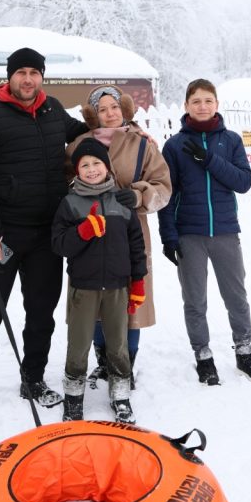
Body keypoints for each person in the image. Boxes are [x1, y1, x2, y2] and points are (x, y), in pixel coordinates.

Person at [0, 47, 89, 413]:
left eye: (35, 72)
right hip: (1, 235)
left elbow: (86, 137)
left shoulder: (53, 110)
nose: (28, 79)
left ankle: (33, 377)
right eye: (22, 73)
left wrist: (126, 132)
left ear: (42, 77)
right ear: (10, 76)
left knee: (41, 311)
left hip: (47, 233)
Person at [158, 78, 251, 386]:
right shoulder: (174, 146)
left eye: (208, 100)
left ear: (217, 104)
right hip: (189, 234)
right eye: (196, 101)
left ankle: (244, 353)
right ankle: (203, 357)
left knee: (236, 296)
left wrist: (208, 160)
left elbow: (243, 182)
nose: (202, 106)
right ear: (186, 106)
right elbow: (167, 195)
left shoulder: (231, 140)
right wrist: (167, 236)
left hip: (224, 232)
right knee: (195, 301)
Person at [67, 85, 171, 389]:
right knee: (94, 299)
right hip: (91, 231)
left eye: (114, 107)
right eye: (102, 109)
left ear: (123, 109)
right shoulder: (79, 145)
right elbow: (64, 182)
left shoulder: (142, 144)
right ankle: (103, 362)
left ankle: (126, 365)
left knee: (130, 301)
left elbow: (163, 186)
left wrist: (139, 195)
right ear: (92, 115)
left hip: (130, 232)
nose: (110, 114)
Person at [52, 137, 147, 424]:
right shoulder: (70, 204)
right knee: (78, 343)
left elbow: (136, 246)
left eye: (97, 164)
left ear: (107, 167)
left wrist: (138, 281)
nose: (91, 169)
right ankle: (73, 396)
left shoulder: (121, 201)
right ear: (77, 171)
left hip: (117, 286)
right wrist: (83, 231)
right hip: (84, 286)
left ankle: (120, 394)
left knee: (118, 343)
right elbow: (58, 244)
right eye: (85, 165)